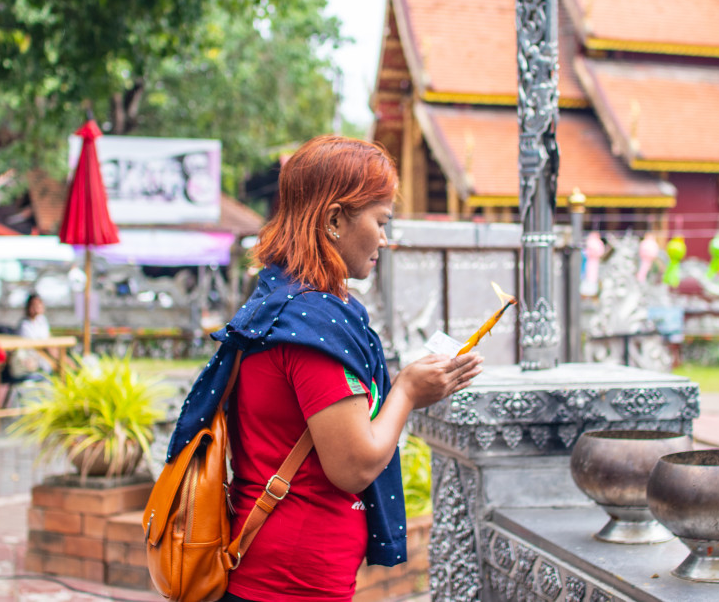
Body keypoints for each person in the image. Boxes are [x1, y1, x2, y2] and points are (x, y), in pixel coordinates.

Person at [167, 135, 483, 602]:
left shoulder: (280, 303)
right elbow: (352, 465)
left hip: (279, 562)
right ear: (334, 219)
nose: (384, 238)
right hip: (291, 579)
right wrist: (409, 391)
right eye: (380, 221)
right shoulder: (313, 323)